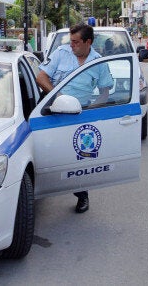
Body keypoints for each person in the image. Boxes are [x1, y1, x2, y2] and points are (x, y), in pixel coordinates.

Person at [36, 23, 114, 214]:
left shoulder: (98, 62)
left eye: (76, 42)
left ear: (88, 42)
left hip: (80, 114)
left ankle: (82, 195)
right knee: (45, 152)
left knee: (79, 157)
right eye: (70, 42)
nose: (72, 45)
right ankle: (37, 190)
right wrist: (58, 96)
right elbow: (41, 78)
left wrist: (93, 111)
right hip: (52, 109)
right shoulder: (61, 53)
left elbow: (105, 91)